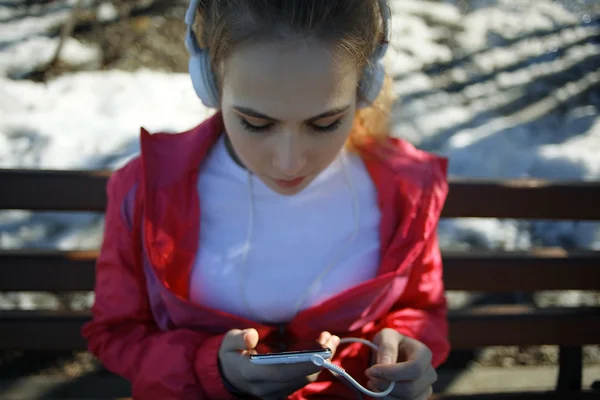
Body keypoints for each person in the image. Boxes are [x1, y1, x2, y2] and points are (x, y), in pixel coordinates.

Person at [81, 0, 450, 399]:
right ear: (210, 82)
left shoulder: (406, 190)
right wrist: (211, 369)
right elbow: (116, 333)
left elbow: (421, 310)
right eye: (255, 124)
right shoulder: (146, 190)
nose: (289, 162)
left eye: (325, 123)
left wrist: (405, 352)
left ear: (366, 86)